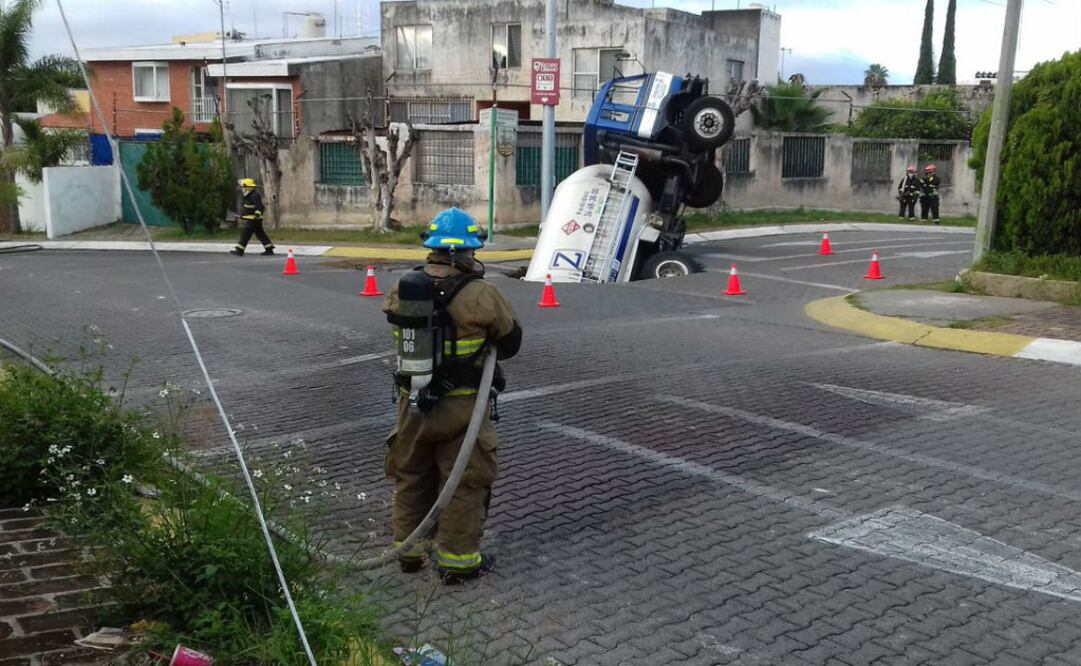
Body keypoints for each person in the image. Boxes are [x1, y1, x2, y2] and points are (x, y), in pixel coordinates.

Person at [382, 208, 522, 584]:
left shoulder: (402, 288)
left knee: (411, 475)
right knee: (464, 482)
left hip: (412, 402)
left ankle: (408, 552)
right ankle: (458, 563)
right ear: (467, 252)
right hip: (464, 407)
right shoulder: (482, 294)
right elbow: (511, 342)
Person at [229, 178, 275, 256]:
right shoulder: (249, 195)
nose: (242, 188)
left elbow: (259, 206)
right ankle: (269, 248)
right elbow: (248, 207)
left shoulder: (254, 195)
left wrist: (257, 213)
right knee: (260, 233)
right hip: (253, 218)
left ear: (248, 187)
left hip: (254, 219)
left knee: (245, 233)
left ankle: (240, 250)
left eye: (244, 187)